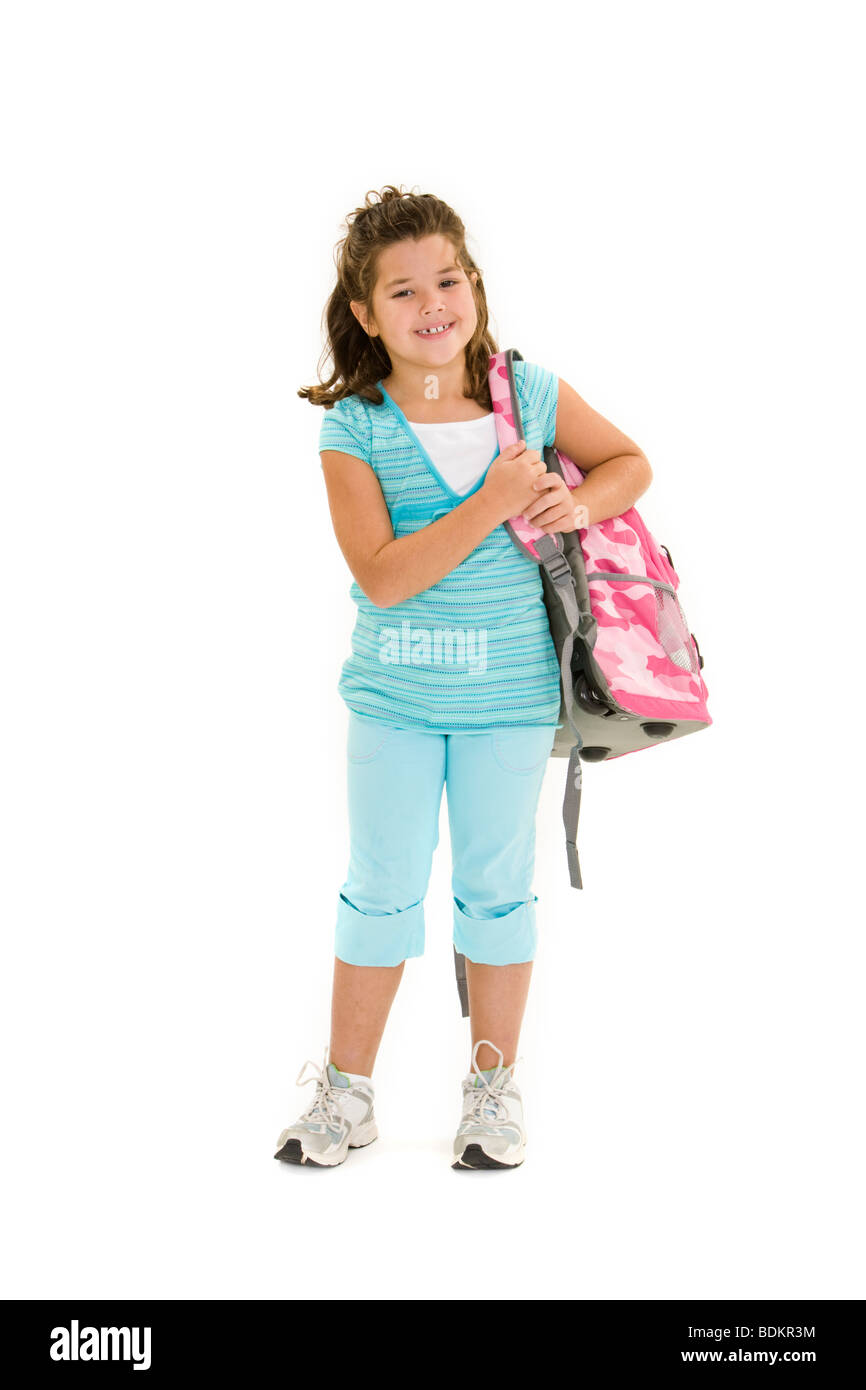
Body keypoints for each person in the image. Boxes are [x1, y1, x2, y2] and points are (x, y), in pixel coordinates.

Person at [275, 184, 652, 1170]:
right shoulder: (352, 429)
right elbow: (383, 578)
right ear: (365, 315)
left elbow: (625, 463)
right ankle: (346, 1091)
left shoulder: (526, 394)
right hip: (395, 703)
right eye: (401, 291)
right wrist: (495, 499)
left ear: (473, 287)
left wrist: (578, 507)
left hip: (510, 705)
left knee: (496, 890)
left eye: (447, 279)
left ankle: (491, 1089)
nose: (430, 303)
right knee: (380, 890)